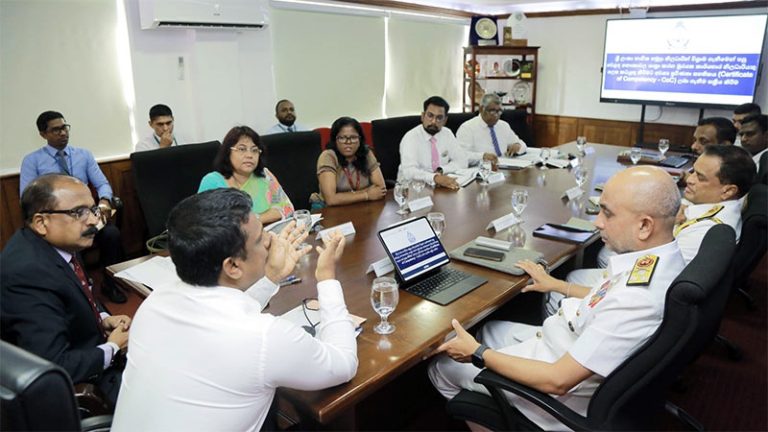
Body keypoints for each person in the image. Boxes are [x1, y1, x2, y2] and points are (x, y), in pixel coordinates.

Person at [428, 166, 686, 431]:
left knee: (441, 368)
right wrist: (558, 285)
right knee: (491, 329)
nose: (598, 222)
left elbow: (557, 381)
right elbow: (608, 299)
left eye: (607, 213)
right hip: (566, 342)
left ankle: (493, 418)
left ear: (644, 225)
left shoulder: (637, 299)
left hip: (559, 388)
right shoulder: (657, 259)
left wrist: (478, 353)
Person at [111, 188, 358, 432]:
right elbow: (343, 364)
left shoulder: (155, 302)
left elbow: (225, 312)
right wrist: (326, 278)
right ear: (232, 266)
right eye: (262, 238)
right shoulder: (263, 337)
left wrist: (270, 278)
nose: (273, 241)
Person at [555, 145, 754, 310]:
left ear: (728, 191)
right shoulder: (720, 211)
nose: (689, 178)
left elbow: (655, 285)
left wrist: (559, 285)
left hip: (635, 291)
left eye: (700, 177)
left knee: (572, 278)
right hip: (643, 277)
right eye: (693, 171)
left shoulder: (706, 230)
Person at [1, 174, 131, 407]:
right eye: (78, 212)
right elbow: (53, 365)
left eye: (92, 209)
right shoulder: (28, 273)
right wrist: (111, 348)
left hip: (88, 345)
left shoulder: (59, 243)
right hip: (84, 386)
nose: (93, 220)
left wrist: (103, 318)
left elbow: (77, 291)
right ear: (41, 222)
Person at [19, 111, 127, 303]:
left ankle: (109, 284)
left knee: (111, 234)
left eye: (64, 127)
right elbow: (26, 198)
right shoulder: (32, 161)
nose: (62, 133)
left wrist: (103, 202)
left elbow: (102, 184)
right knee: (72, 244)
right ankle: (85, 294)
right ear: (43, 134)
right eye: (56, 130)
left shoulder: (83, 155)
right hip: (59, 220)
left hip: (87, 216)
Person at [198, 126, 294, 224]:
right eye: (242, 149)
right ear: (228, 152)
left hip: (270, 234)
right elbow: (205, 224)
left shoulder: (264, 175)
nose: (249, 155)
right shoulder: (212, 182)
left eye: (254, 150)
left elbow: (287, 208)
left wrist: (256, 220)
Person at [398, 96, 491, 190]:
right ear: (422, 116)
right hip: (412, 189)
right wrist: (435, 178)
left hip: (441, 187)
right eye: (430, 115)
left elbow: (461, 161)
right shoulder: (411, 138)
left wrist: (441, 170)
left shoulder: (447, 134)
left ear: (445, 120)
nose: (434, 121)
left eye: (439, 118)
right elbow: (409, 171)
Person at [312, 116, 387, 208]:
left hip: (360, 207)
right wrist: (367, 194)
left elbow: (381, 188)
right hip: (329, 210)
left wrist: (345, 196)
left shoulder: (366, 153)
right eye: (342, 138)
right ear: (335, 140)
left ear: (360, 140)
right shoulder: (328, 156)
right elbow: (331, 199)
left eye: (353, 137)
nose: (348, 142)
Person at [456, 93, 527, 161]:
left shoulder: (503, 125)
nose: (496, 115)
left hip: (504, 166)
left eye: (499, 111)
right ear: (481, 109)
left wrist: (517, 146)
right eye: (492, 111)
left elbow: (523, 145)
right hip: (481, 168)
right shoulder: (467, 128)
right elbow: (461, 155)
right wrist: (482, 156)